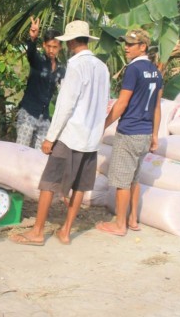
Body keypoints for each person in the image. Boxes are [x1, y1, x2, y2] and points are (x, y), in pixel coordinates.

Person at [10, 20, 110, 246]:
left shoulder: (74, 66)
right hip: (91, 138)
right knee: (80, 187)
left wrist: (50, 137)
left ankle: (37, 232)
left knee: (49, 183)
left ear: (71, 42)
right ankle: (65, 231)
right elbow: (104, 103)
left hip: (71, 135)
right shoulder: (102, 67)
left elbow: (66, 105)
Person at [96, 29, 163, 236]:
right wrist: (154, 135)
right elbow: (157, 107)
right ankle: (133, 219)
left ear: (143, 47)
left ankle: (119, 224)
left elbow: (122, 102)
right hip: (144, 134)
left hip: (129, 131)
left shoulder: (133, 70)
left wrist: (104, 124)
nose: (126, 47)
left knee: (121, 182)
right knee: (133, 179)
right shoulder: (155, 72)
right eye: (125, 43)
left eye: (131, 44)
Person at [16, 17, 65, 149]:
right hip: (28, 113)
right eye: (48, 46)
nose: (51, 50)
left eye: (55, 47)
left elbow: (65, 92)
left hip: (45, 117)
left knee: (39, 155)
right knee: (21, 151)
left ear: (60, 47)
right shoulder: (37, 61)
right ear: (44, 45)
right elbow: (31, 53)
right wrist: (33, 38)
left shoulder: (61, 69)